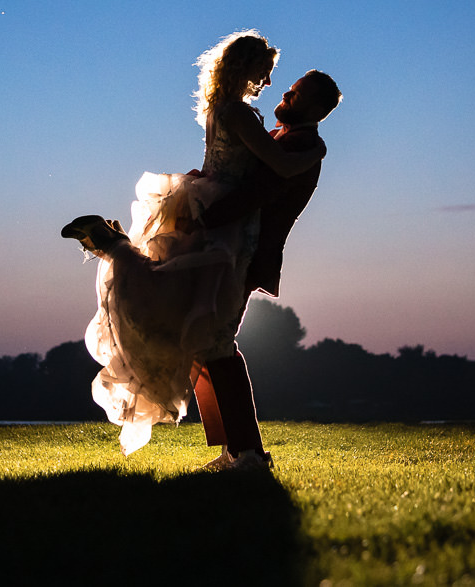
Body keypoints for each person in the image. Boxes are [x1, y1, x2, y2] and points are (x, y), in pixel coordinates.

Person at [61, 31, 325, 456]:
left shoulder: (220, 110)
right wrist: (316, 154)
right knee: (210, 335)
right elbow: (276, 167)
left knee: (191, 321)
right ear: (248, 69)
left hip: (211, 209)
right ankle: (244, 453)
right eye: (267, 73)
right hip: (228, 227)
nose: (272, 84)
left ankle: (234, 451)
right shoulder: (243, 116)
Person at [188, 69, 342, 470]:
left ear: (313, 107)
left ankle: (249, 452)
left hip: (246, 253)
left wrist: (204, 216)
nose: (286, 94)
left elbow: (256, 193)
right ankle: (236, 449)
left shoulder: (303, 144)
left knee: (218, 343)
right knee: (207, 342)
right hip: (234, 247)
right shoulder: (286, 139)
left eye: (295, 93)